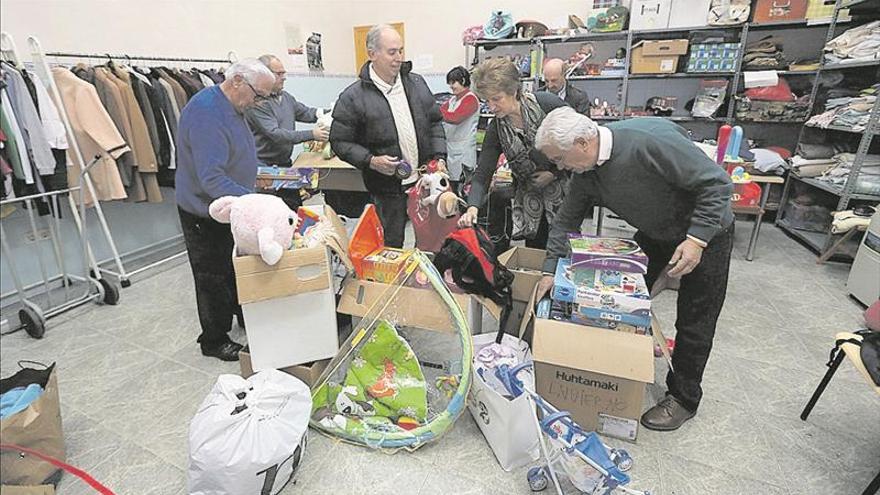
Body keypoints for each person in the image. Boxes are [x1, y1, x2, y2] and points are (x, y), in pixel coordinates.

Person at [533, 106, 735, 431]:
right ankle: (623, 360)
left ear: (583, 142)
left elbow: (718, 185)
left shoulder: (648, 141)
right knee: (619, 301)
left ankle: (683, 399)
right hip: (655, 233)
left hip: (706, 232)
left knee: (695, 318)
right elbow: (565, 222)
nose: (558, 167)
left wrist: (697, 239)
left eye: (559, 158)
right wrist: (549, 270)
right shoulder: (585, 173)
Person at [176, 59, 275, 361]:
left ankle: (242, 314)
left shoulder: (234, 105)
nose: (259, 103)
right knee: (212, 277)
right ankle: (214, 339)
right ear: (237, 82)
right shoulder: (208, 113)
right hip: (205, 212)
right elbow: (212, 178)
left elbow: (234, 153)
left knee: (234, 268)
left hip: (232, 208)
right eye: (258, 95)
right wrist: (257, 204)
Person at [330, 24, 447, 248]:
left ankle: (421, 280)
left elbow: (434, 122)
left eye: (401, 51)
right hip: (386, 188)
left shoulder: (416, 83)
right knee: (391, 242)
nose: (399, 58)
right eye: (392, 52)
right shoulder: (353, 97)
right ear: (372, 54)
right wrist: (370, 161)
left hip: (425, 180)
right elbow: (339, 141)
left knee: (428, 238)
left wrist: (440, 156)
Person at [458, 57, 568, 250]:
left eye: (496, 99)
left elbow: (580, 144)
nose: (491, 107)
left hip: (564, 194)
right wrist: (472, 207)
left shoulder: (547, 105)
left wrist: (554, 173)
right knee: (536, 251)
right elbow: (483, 173)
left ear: (514, 91)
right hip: (530, 200)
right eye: (487, 101)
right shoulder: (497, 128)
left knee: (564, 248)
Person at [245, 54, 329, 210]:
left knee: (294, 209)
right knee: (273, 215)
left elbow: (306, 113)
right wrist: (312, 134)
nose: (284, 78)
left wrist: (332, 112)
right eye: (279, 74)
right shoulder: (258, 103)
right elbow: (275, 134)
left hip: (284, 163)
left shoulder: (285, 97)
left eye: (284, 73)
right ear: (264, 75)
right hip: (264, 168)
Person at [439, 66, 479, 192]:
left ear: (463, 80)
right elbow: (440, 112)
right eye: (449, 83)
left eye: (453, 82)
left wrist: (439, 113)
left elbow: (456, 118)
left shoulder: (471, 99)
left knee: (462, 188)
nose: (451, 86)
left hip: (464, 151)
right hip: (452, 149)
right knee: (452, 186)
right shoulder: (452, 100)